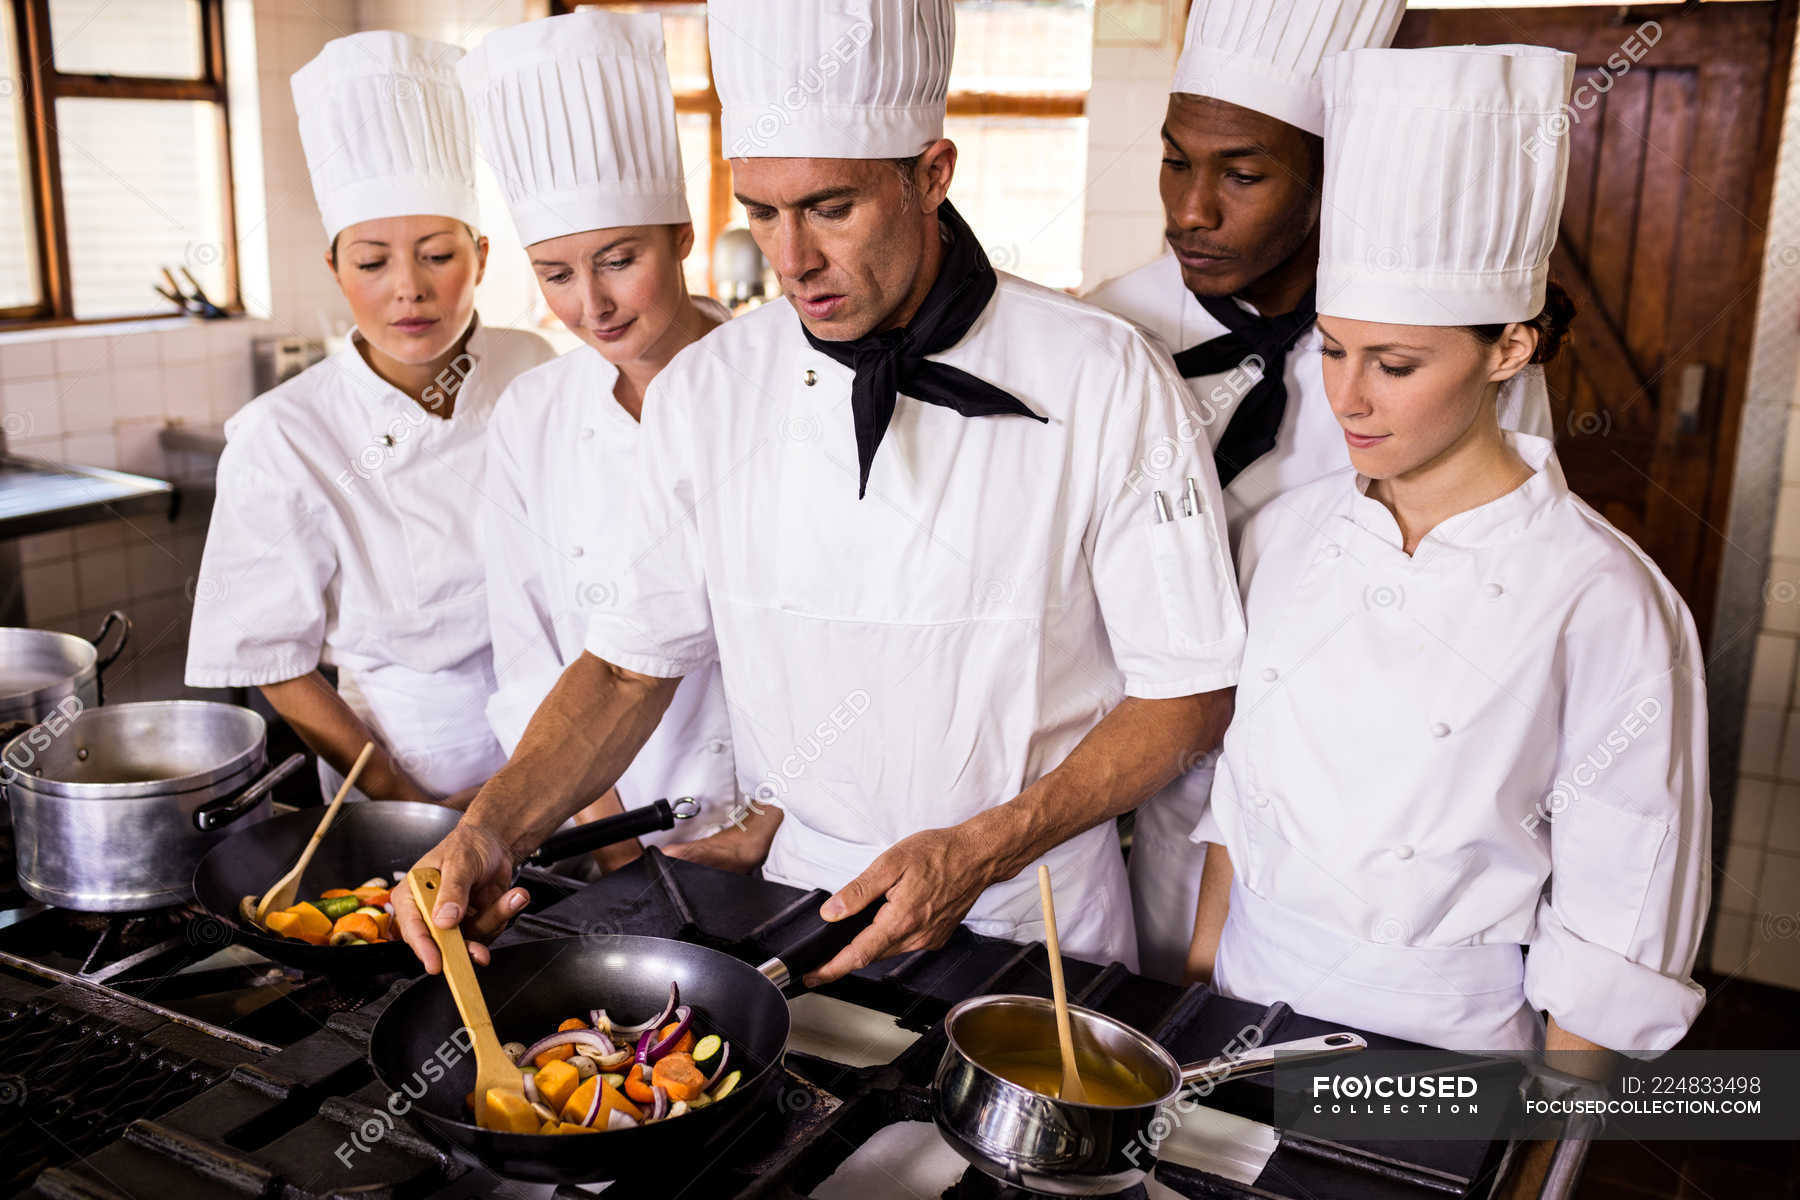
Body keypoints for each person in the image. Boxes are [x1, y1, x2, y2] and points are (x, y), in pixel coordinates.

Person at [395, 0, 1244, 982]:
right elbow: (630, 669)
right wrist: (495, 827)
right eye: (762, 211)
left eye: (830, 207)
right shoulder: (709, 390)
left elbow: (1187, 695)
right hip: (804, 904)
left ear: (932, 174)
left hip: (1032, 918)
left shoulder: (1101, 373)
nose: (790, 259)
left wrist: (981, 849)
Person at [1188, 43, 1710, 1058]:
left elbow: (1618, 921)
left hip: (1441, 1053)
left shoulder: (1600, 596)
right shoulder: (1286, 536)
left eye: (1395, 363)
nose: (1347, 397)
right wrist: (1198, 994)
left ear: (1508, 348)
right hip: (1242, 1013)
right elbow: (1239, 809)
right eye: (1332, 349)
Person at [1085, 0, 1559, 983]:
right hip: (1140, 787)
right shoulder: (1107, 333)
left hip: (1370, 816)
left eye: (1243, 174)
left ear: (1332, 178)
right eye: (1176, 160)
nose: (1191, 210)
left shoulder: (1449, 373)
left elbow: (1495, 598)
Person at [186, 33, 554, 804]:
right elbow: (269, 657)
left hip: (569, 764)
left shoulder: (541, 369)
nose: (409, 290)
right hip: (408, 773)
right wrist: (398, 798)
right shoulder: (283, 434)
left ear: (482, 256)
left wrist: (564, 777)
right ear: (335, 268)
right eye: (372, 260)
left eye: (436, 254)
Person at [458, 10, 736, 869]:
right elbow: (527, 642)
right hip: (587, 817)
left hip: (770, 821)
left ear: (682, 237)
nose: (592, 305)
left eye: (618, 259)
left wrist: (766, 823)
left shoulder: (774, 389)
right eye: (556, 275)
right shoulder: (531, 414)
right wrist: (606, 831)